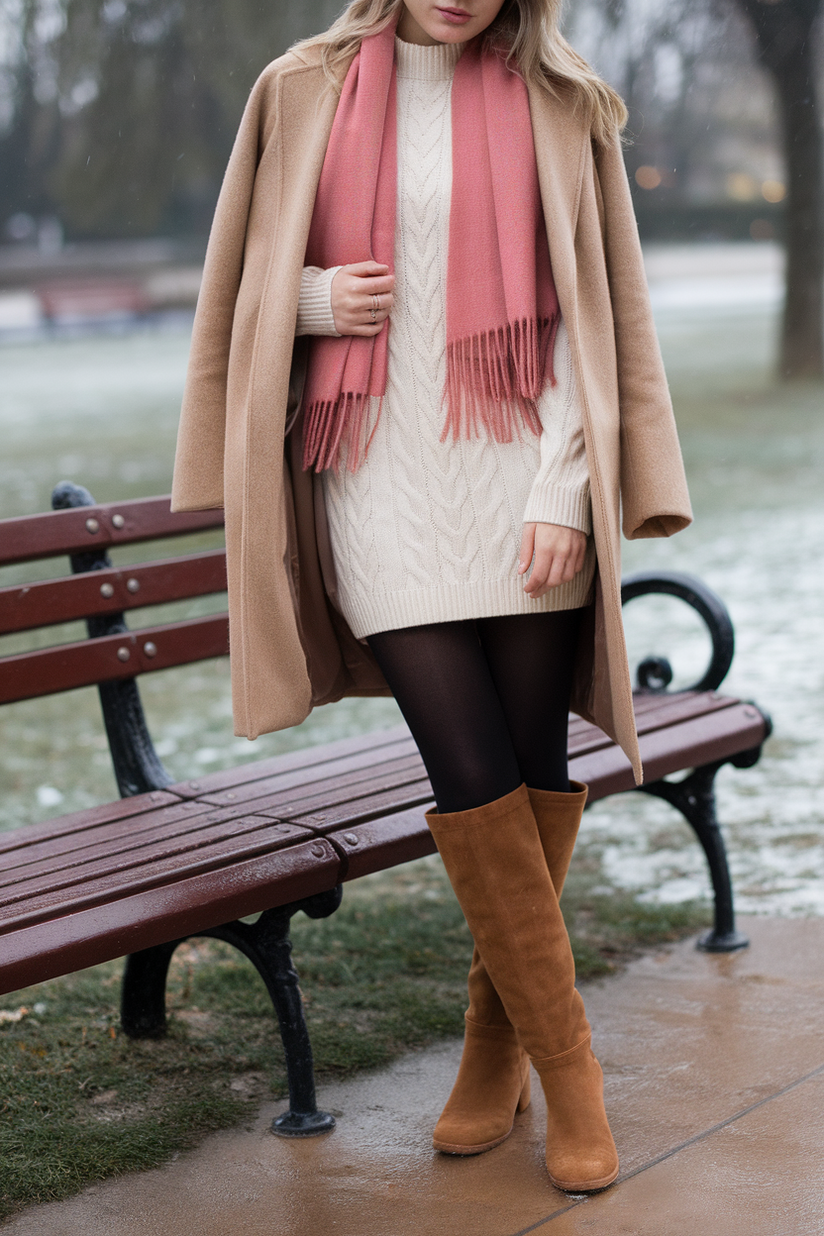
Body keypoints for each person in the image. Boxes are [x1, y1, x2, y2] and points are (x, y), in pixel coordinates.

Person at [172, 0, 692, 1195]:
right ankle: (571, 1070)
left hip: (520, 469)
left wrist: (566, 488)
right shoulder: (297, 88)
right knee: (468, 773)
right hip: (371, 478)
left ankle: (492, 1048)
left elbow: (591, 320)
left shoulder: (565, 102)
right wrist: (307, 305)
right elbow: (238, 290)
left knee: (527, 762)